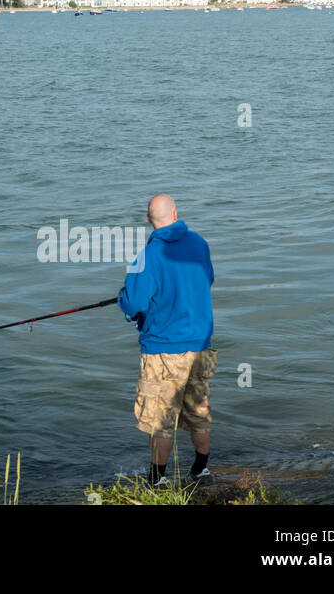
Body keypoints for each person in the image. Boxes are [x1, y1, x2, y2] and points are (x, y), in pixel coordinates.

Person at [118, 194, 216, 486]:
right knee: (199, 411)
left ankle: (157, 480)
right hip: (200, 345)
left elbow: (132, 301)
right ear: (175, 213)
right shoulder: (199, 243)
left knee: (159, 420)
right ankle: (200, 470)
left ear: (149, 220)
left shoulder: (147, 256)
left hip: (163, 349)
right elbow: (207, 279)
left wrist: (126, 301)